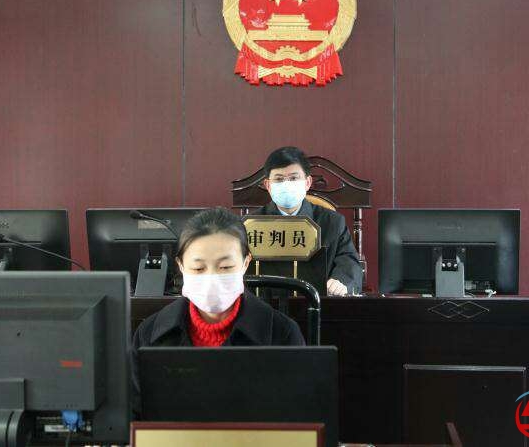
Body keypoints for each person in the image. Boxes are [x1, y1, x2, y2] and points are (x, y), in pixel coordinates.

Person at [131, 207, 304, 416]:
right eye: (198, 269)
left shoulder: (282, 333)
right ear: (181, 266)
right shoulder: (149, 334)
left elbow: (298, 417)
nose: (211, 279)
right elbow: (136, 416)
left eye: (225, 267)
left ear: (245, 263)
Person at [254, 146, 363, 296]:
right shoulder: (251, 224)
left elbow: (349, 262)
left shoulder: (333, 222)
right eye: (279, 179)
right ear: (268, 185)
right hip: (265, 304)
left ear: (307, 182)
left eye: (294, 178)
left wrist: (341, 281)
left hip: (318, 303)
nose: (286, 184)